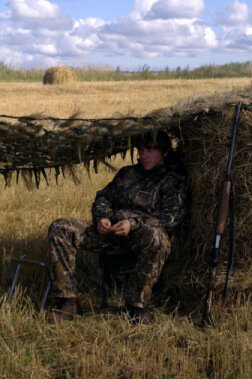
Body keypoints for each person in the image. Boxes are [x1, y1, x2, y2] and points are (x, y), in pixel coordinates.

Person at [47, 130, 188, 323]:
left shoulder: (172, 180)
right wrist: (102, 218)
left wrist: (133, 224)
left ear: (163, 152)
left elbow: (172, 216)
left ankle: (135, 306)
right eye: (140, 150)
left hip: (139, 237)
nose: (142, 155)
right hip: (109, 233)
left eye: (149, 150)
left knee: (158, 239)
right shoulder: (127, 174)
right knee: (60, 227)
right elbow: (103, 197)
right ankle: (68, 301)